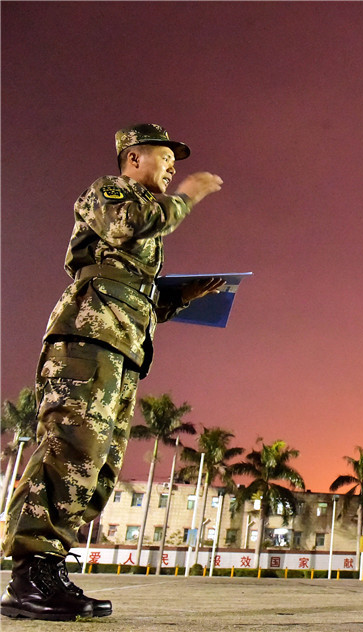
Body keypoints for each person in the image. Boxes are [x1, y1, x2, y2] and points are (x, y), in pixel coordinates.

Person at [1, 124, 223, 621]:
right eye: (165, 158)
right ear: (133, 157)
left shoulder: (146, 217)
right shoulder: (109, 191)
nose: (172, 168)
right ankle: (28, 575)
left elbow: (134, 295)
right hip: (86, 338)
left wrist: (178, 297)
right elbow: (126, 224)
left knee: (95, 462)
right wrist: (186, 197)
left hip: (120, 346)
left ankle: (48, 568)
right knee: (70, 446)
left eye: (176, 164)